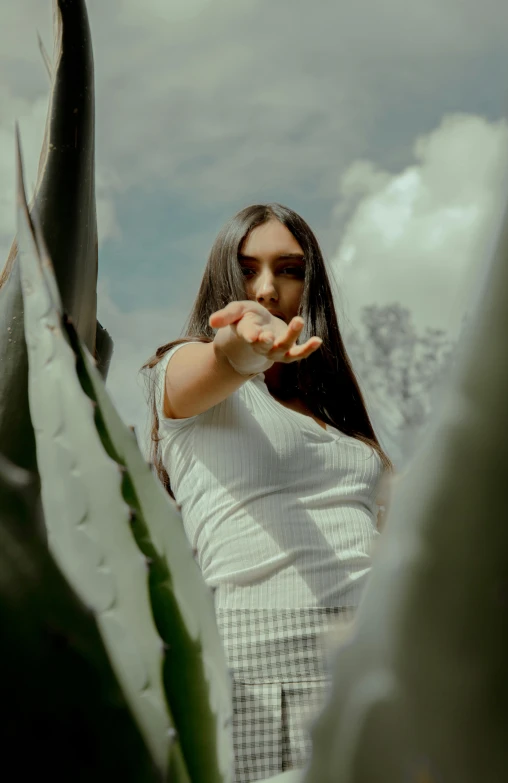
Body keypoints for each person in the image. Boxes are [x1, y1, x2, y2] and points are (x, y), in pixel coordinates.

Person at [141, 203, 393, 782]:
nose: (267, 288)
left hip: (370, 655)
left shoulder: (337, 417)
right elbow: (227, 356)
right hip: (273, 661)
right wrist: (245, 347)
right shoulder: (180, 375)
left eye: (289, 269)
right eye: (247, 268)